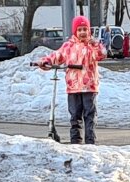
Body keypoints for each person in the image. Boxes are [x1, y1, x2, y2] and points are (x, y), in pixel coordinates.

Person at [38, 16, 107, 145]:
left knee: (89, 115)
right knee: (75, 116)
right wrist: (46, 61)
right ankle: (75, 142)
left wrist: (96, 44)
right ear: (75, 31)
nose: (82, 32)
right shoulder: (68, 46)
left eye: (84, 29)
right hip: (73, 87)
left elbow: (101, 54)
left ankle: (90, 142)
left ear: (89, 31)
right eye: (79, 29)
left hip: (89, 86)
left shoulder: (91, 46)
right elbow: (57, 56)